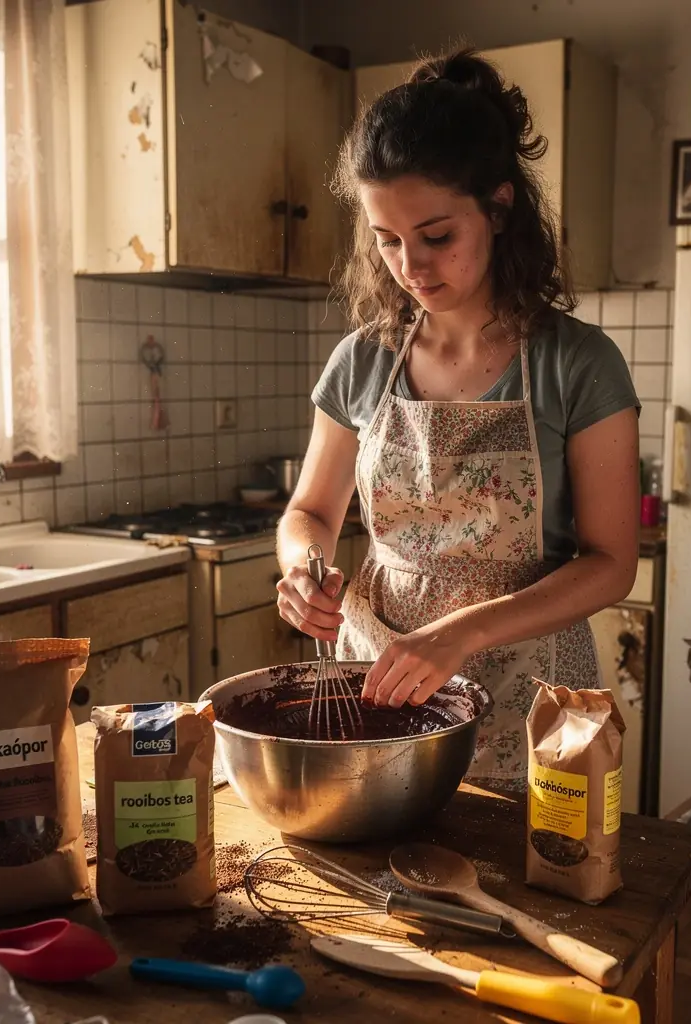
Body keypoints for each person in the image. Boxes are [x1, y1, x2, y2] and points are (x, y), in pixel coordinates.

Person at [273, 49, 641, 785]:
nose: (410, 265)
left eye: (436, 236)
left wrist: (459, 635)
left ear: (499, 208)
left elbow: (611, 565)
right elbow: (309, 510)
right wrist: (302, 570)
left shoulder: (579, 364)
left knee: (518, 889)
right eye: (387, 240)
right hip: (381, 674)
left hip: (533, 693)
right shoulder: (363, 360)